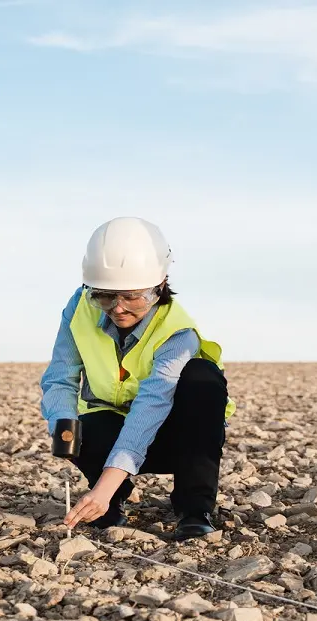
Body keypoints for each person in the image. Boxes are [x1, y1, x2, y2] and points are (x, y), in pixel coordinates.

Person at [39, 216, 235, 541]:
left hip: (179, 437)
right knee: (75, 427)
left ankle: (194, 510)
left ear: (160, 285)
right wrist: (62, 424)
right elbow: (60, 377)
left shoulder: (178, 332)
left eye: (132, 296)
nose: (118, 308)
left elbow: (150, 407)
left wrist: (104, 484)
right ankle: (111, 504)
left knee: (203, 379)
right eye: (105, 296)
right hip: (114, 423)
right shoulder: (79, 308)